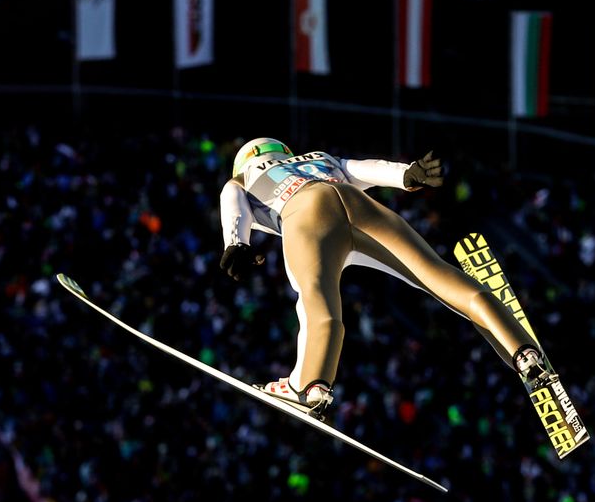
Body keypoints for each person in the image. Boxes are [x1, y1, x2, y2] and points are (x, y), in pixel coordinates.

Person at [218, 137, 555, 418]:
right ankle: (524, 351)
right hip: (355, 201)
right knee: (438, 276)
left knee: (317, 299)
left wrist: (236, 243)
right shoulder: (318, 157)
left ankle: (310, 385)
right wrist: (409, 174)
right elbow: (366, 168)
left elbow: (232, 202)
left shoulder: (243, 178)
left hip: (303, 211)